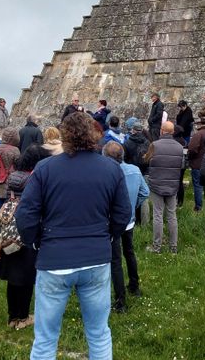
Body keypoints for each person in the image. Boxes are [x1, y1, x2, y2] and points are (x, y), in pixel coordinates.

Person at [15, 112, 131, 360]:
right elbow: (123, 214)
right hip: (96, 257)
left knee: (45, 338)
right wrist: (107, 237)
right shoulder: (111, 168)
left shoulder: (45, 168)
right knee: (99, 333)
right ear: (93, 134)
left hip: (55, 258)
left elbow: (26, 214)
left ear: (64, 135)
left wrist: (35, 241)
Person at [0, 145, 51, 330]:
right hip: (26, 227)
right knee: (26, 277)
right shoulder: (34, 178)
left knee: (12, 277)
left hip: (9, 230)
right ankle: (23, 317)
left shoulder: (14, 176)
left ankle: (12, 316)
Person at [102, 141, 149, 313]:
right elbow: (145, 192)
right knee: (129, 253)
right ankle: (134, 286)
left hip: (112, 222)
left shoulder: (106, 173)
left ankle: (120, 301)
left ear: (106, 157)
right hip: (128, 220)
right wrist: (132, 207)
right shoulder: (135, 170)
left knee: (115, 260)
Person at [146, 122, 184, 253]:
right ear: (172, 132)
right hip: (173, 184)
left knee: (158, 214)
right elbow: (182, 164)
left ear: (162, 131)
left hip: (156, 183)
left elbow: (146, 160)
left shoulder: (154, 145)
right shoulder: (179, 147)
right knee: (172, 215)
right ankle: (173, 247)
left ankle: (157, 246)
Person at [0, 126, 21, 221]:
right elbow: (18, 164)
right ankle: (5, 222)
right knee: (8, 203)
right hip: (10, 179)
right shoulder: (15, 150)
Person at [186, 117, 205, 212]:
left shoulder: (198, 135)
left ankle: (198, 207)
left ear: (200, 124)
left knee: (198, 185)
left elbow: (192, 149)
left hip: (198, 164)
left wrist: (189, 158)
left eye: (197, 124)